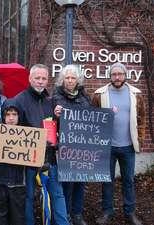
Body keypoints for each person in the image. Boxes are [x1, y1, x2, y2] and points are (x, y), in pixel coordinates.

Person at [92, 62, 145, 225]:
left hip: (128, 146)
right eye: (114, 74)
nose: (117, 77)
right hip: (107, 146)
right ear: (110, 75)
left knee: (128, 180)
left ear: (125, 75)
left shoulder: (136, 93)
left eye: (120, 74)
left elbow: (141, 119)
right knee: (107, 180)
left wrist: (139, 140)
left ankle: (130, 212)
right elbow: (93, 119)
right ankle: (107, 212)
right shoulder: (99, 94)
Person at [13, 64, 56, 225]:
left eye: (44, 78)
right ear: (30, 79)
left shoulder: (50, 101)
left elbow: (53, 126)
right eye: (37, 78)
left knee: (49, 195)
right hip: (28, 159)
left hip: (48, 157)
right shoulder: (19, 100)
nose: (40, 81)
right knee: (28, 196)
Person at [53, 64, 91, 225]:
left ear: (78, 80)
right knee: (67, 183)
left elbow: (91, 119)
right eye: (67, 77)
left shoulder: (85, 98)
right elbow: (49, 122)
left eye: (73, 78)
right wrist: (55, 115)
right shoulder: (55, 97)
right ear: (62, 80)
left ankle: (77, 213)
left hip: (82, 147)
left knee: (80, 182)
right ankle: (66, 213)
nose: (69, 80)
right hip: (64, 148)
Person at [0, 98, 26, 225]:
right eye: (7, 114)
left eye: (14, 114)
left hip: (19, 183)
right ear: (3, 116)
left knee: (17, 217)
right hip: (0, 181)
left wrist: (39, 164)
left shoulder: (27, 135)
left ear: (19, 115)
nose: (11, 118)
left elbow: (32, 158)